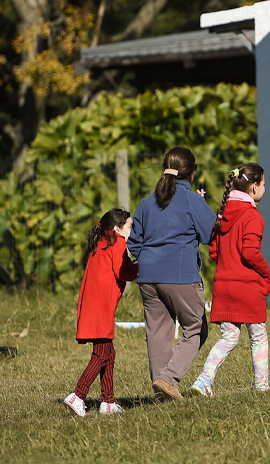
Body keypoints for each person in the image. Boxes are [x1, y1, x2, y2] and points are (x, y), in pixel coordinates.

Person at [126, 147, 217, 402]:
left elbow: (133, 244)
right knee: (196, 329)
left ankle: (162, 393)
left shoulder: (146, 201)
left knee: (158, 333)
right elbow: (212, 235)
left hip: (147, 276)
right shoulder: (192, 200)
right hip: (180, 276)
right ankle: (169, 379)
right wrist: (202, 204)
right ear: (192, 172)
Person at [191, 163, 270, 397]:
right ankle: (262, 387)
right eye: (264, 185)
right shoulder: (253, 216)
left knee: (229, 336)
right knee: (258, 336)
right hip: (248, 287)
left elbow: (214, 252)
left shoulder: (222, 215)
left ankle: (204, 380)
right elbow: (250, 252)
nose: (264, 189)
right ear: (254, 187)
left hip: (223, 287)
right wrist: (266, 273)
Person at [64, 209, 138, 416]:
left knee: (109, 353)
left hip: (92, 303)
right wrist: (142, 267)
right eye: (130, 226)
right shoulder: (119, 243)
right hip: (102, 306)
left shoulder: (102, 242)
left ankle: (108, 402)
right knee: (101, 354)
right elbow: (123, 271)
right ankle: (78, 395)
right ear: (117, 228)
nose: (132, 230)